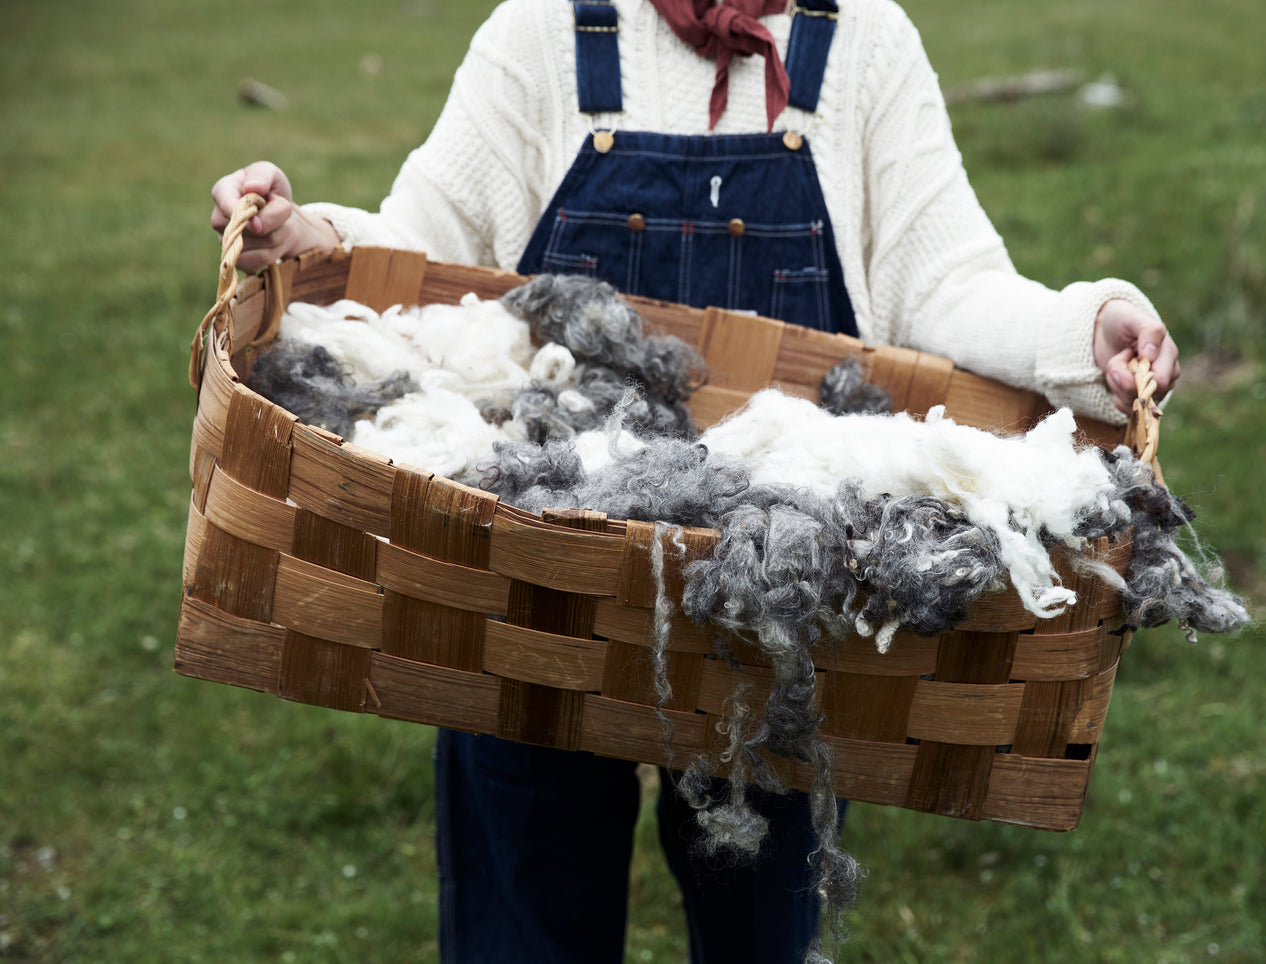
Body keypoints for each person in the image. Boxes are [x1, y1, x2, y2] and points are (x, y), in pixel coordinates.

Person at [210, 1, 1181, 960]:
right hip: (534, 566)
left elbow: (946, 282)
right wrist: (310, 242)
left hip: (773, 575)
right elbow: (414, 258)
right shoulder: (544, 32)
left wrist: (1075, 331)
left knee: (759, 901)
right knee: (526, 880)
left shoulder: (861, 43)